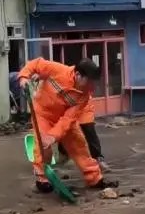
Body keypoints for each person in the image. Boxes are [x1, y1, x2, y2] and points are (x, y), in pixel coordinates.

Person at [18, 57, 108, 194]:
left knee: (79, 147)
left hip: (64, 119)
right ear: (78, 75)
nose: (92, 85)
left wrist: (53, 136)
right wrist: (24, 78)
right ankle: (42, 180)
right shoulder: (57, 70)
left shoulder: (84, 96)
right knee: (42, 148)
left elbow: (68, 119)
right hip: (43, 115)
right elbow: (35, 64)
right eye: (89, 81)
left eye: (93, 82)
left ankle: (94, 178)